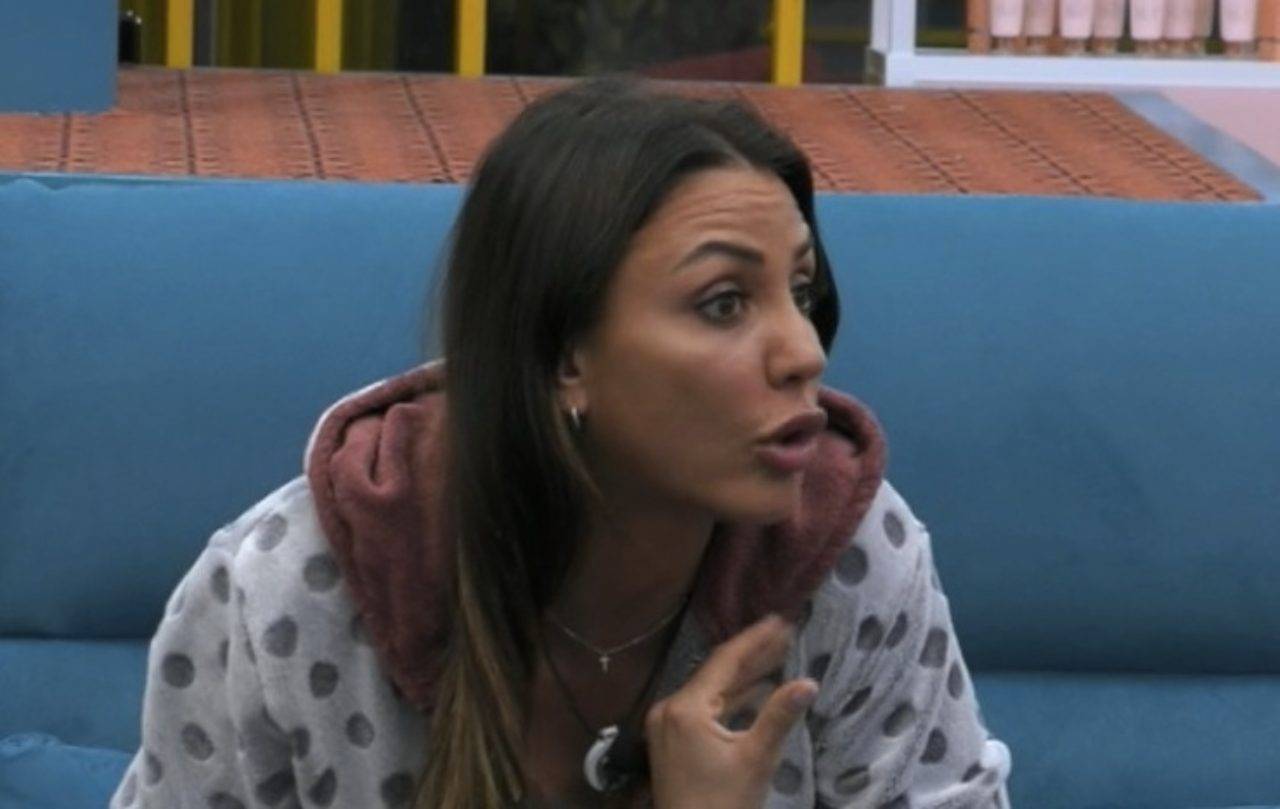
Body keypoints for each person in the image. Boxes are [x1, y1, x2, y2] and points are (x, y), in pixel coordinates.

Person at [109, 76, 1013, 809]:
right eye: (724, 303)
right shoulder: (286, 592)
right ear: (563, 357)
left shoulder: (847, 557)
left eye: (802, 292)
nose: (805, 351)